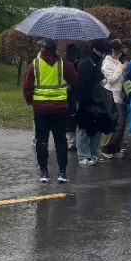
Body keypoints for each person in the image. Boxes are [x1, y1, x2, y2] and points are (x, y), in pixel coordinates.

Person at [23, 39, 78, 184]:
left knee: (41, 140)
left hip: (40, 109)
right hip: (59, 109)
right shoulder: (63, 63)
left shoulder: (35, 64)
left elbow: (27, 85)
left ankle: (44, 172)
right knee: (60, 141)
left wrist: (31, 101)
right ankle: (62, 173)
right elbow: (74, 78)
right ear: (54, 49)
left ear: (44, 49)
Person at [75, 40, 107, 166]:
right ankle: (83, 155)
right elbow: (82, 83)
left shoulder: (96, 61)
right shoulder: (85, 62)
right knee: (84, 127)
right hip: (86, 98)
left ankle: (93, 153)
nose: (102, 54)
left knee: (96, 127)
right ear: (94, 49)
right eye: (101, 52)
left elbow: (98, 76)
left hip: (96, 98)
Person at [100, 40, 128, 158]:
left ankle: (115, 148)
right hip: (111, 96)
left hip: (119, 95)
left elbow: (120, 78)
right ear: (112, 51)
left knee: (121, 124)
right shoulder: (107, 63)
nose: (120, 54)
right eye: (119, 51)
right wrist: (121, 69)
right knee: (113, 123)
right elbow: (111, 79)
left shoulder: (117, 62)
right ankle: (105, 148)